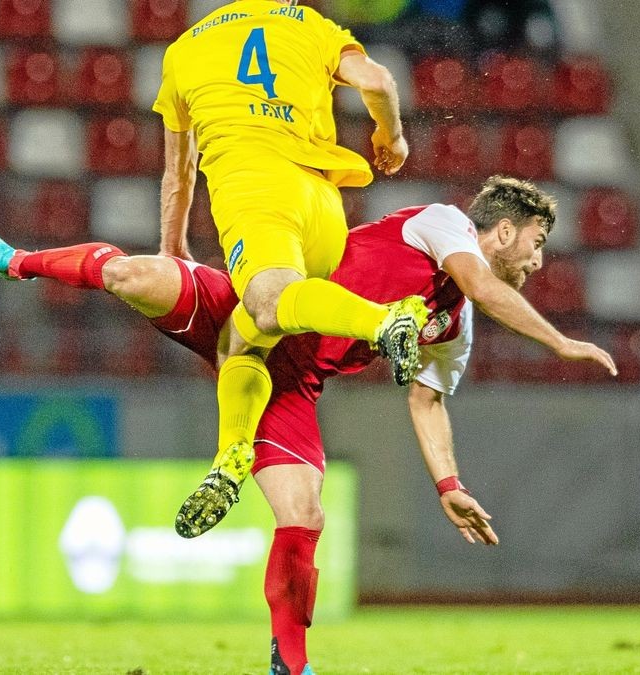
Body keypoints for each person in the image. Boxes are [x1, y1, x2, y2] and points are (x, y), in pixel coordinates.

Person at [0, 175, 617, 675]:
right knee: (132, 272)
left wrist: (448, 482)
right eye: (536, 241)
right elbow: (485, 284)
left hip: (290, 383)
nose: (538, 258)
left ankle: (289, 664)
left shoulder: (451, 328)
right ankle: (16, 261)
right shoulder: (443, 225)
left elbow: (427, 400)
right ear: (502, 230)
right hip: (256, 303)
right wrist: (561, 343)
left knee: (306, 512)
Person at [152, 0, 432, 539]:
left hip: (256, 190)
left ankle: (383, 320)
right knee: (244, 336)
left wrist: (172, 246)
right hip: (325, 205)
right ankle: (231, 457)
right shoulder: (309, 23)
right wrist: (391, 138)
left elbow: (179, 172)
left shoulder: (184, 50)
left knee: (264, 299)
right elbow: (378, 81)